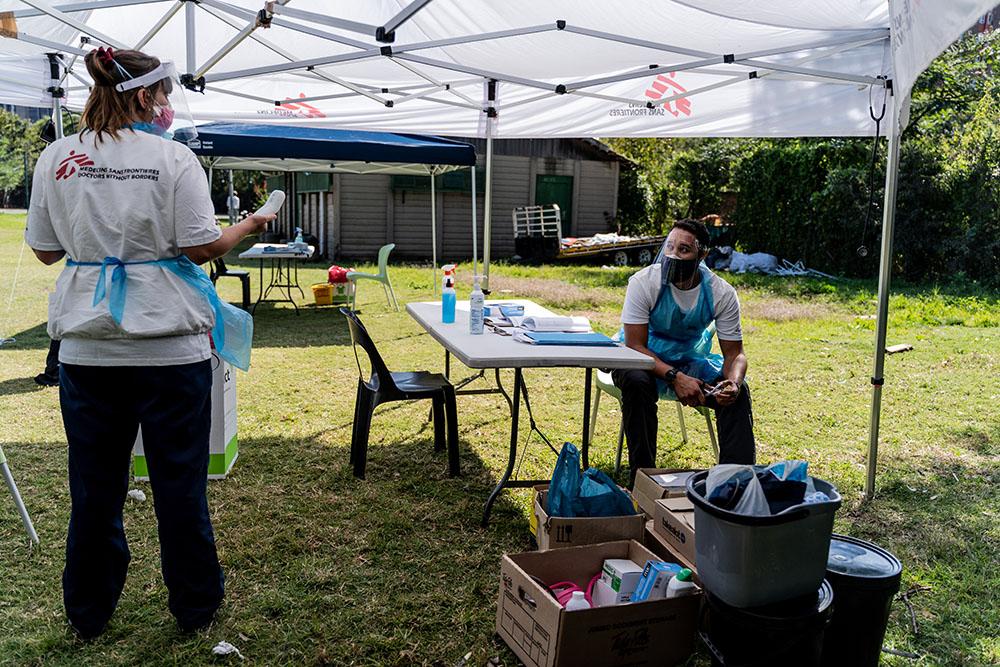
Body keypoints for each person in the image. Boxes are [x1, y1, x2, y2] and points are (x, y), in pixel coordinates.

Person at [24, 47, 274, 639]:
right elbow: (200, 245)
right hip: (169, 352)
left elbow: (45, 250)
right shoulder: (173, 159)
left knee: (94, 488)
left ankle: (88, 611)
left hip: (89, 352)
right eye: (162, 95)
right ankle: (194, 606)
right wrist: (248, 225)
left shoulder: (58, 157)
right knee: (179, 485)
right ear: (142, 96)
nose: (166, 105)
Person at [613, 219, 755, 483]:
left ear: (702, 255)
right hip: (641, 357)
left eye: (684, 250)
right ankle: (642, 479)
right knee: (635, 381)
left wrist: (733, 383)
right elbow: (634, 345)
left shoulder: (721, 293)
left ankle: (736, 485)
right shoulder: (644, 283)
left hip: (689, 360)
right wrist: (675, 377)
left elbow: (735, 355)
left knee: (739, 394)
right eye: (669, 247)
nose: (673, 255)